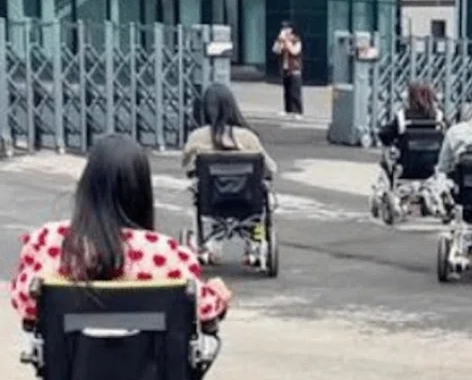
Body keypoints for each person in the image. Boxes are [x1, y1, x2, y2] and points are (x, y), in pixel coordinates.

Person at [10, 134, 232, 324]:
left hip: (70, 369)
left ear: (87, 185)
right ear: (142, 191)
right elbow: (203, 309)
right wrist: (218, 294)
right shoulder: (165, 253)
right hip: (149, 371)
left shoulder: (47, 241)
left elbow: (25, 303)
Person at [182, 83, 277, 179]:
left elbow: (186, 165)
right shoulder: (248, 137)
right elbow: (271, 168)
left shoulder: (197, 136)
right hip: (246, 192)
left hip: (209, 192)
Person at [377, 81, 443, 149]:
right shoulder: (438, 116)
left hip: (407, 157)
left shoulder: (403, 116)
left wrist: (396, 143)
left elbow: (383, 134)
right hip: (433, 157)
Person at [272, 21, 303, 119]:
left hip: (295, 69)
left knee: (295, 91)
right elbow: (276, 50)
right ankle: (288, 109)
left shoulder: (296, 40)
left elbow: (294, 51)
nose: (285, 31)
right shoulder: (281, 40)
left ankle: (298, 111)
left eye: (287, 29)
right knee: (287, 91)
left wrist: (286, 41)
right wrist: (279, 41)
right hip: (285, 68)